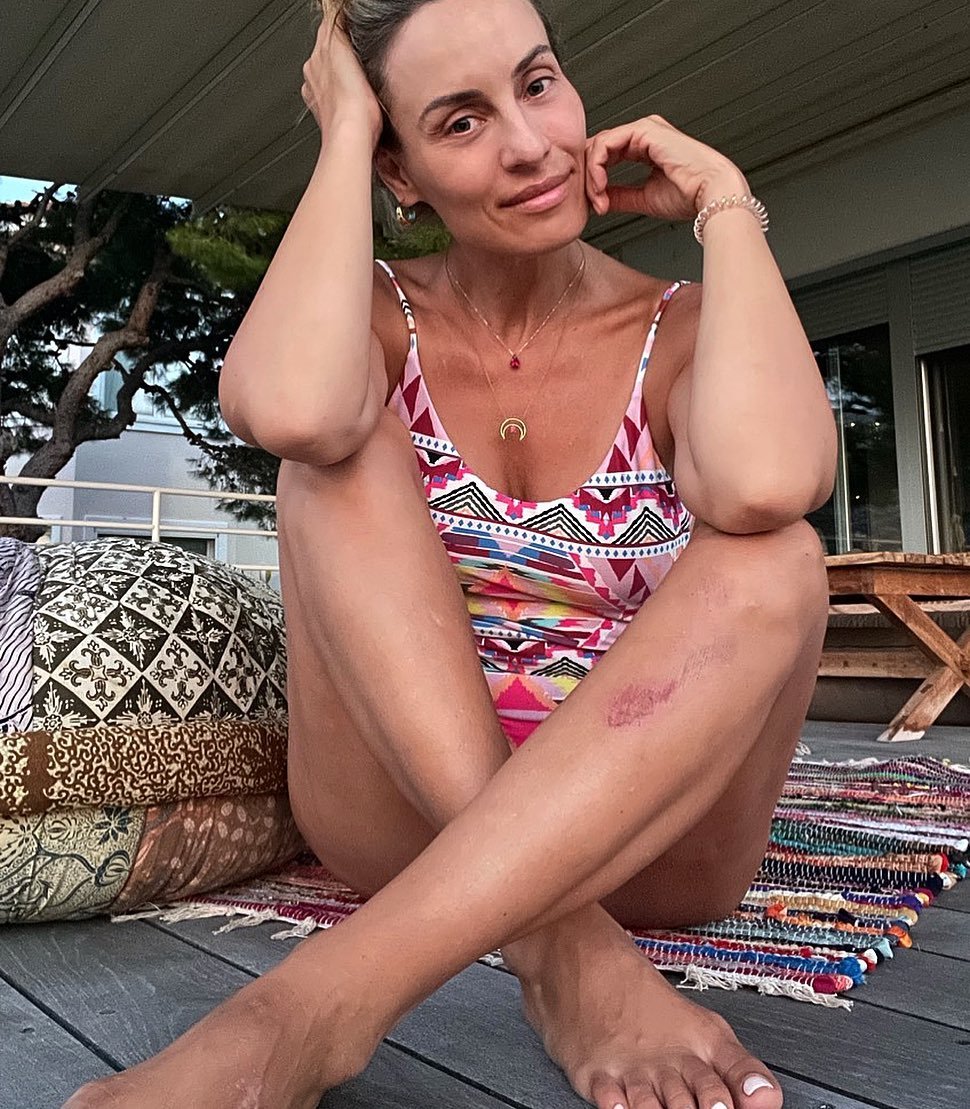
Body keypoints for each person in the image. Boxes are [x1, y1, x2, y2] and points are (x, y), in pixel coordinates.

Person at [64, 1, 837, 1106]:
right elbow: (289, 408)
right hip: (397, 822)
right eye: (460, 121)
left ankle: (316, 1001)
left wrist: (726, 205)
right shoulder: (379, 316)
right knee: (329, 460)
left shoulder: (684, 327)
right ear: (402, 172)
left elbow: (769, 483)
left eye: (538, 84)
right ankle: (561, 953)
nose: (527, 144)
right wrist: (343, 128)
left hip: (654, 842)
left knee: (777, 558)